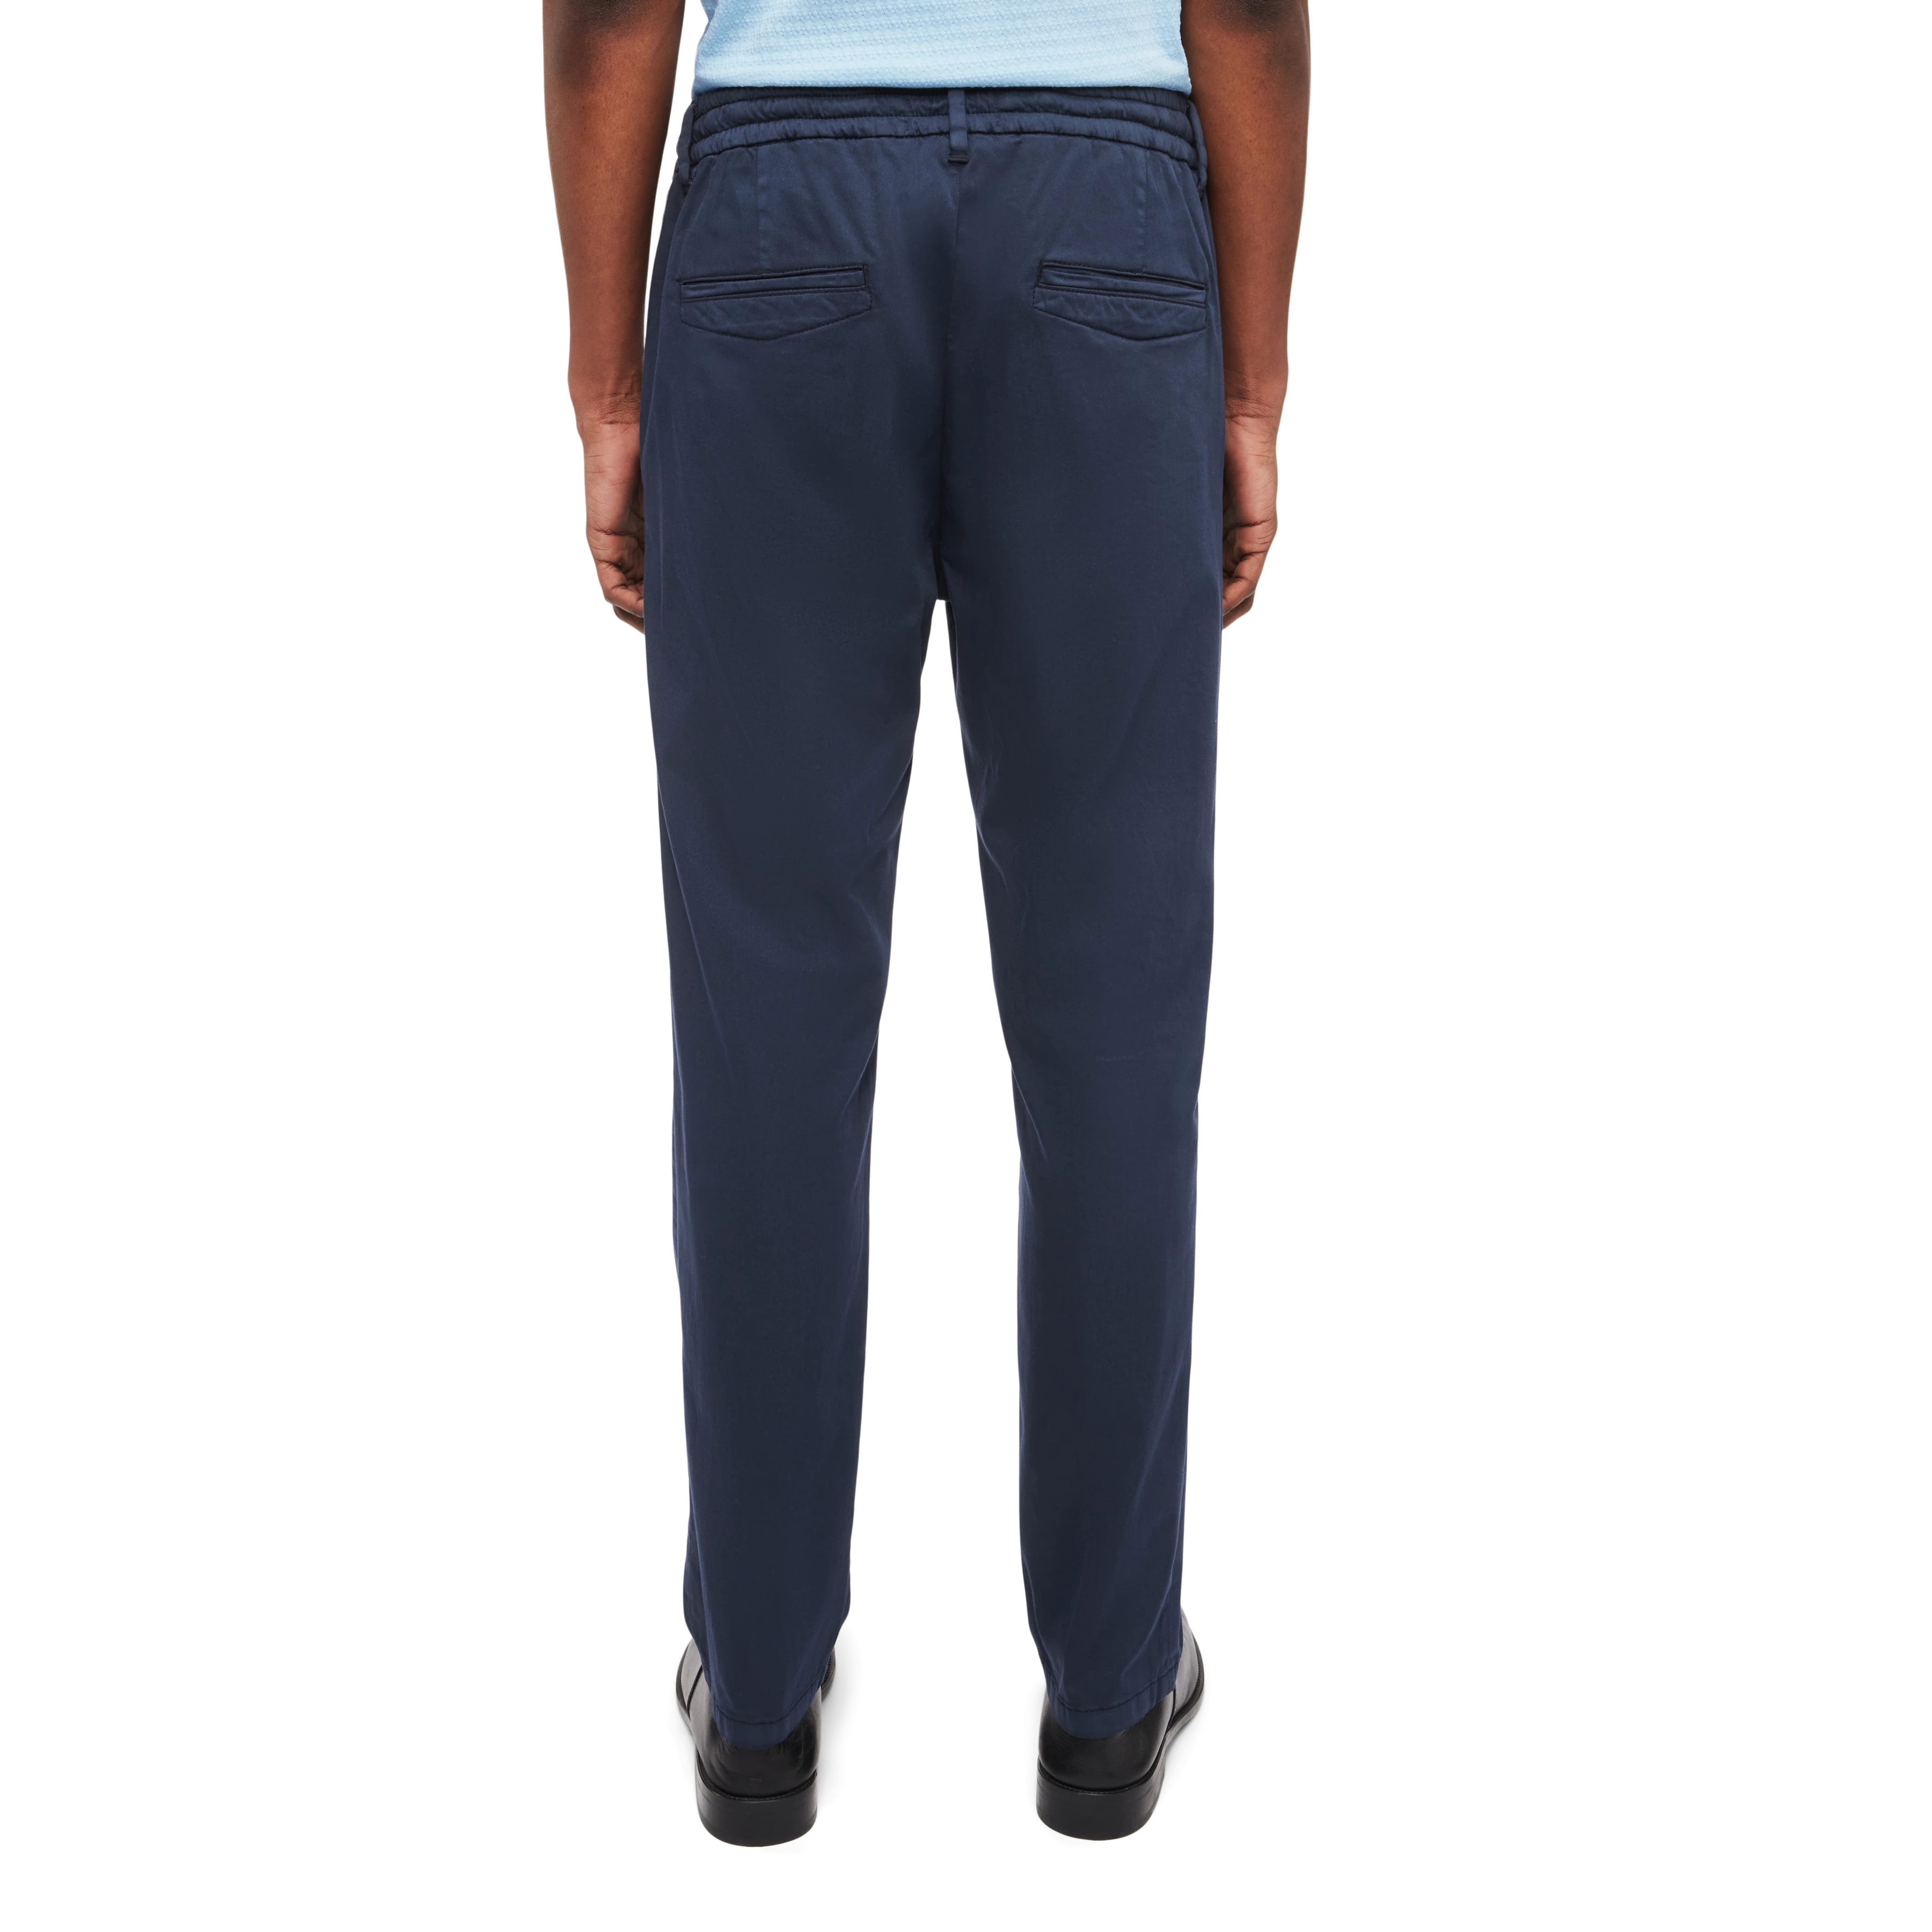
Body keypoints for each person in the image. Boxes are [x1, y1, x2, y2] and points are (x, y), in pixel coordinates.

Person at [543, 0, 1312, 1851]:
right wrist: (1251, 386)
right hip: (1109, 219)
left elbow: (609, 12)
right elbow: (1249, 9)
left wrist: (608, 393)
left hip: (776, 225)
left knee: (765, 1018)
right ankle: (1110, 1702)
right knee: (1115, 1019)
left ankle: (760, 1697)